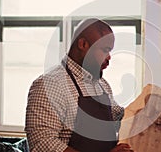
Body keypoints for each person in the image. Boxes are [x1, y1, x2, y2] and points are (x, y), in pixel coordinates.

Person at [25, 18, 133, 152]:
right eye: (105, 50)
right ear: (83, 44)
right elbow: (43, 144)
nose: (109, 57)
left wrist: (147, 113)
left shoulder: (102, 85)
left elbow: (119, 116)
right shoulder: (49, 85)